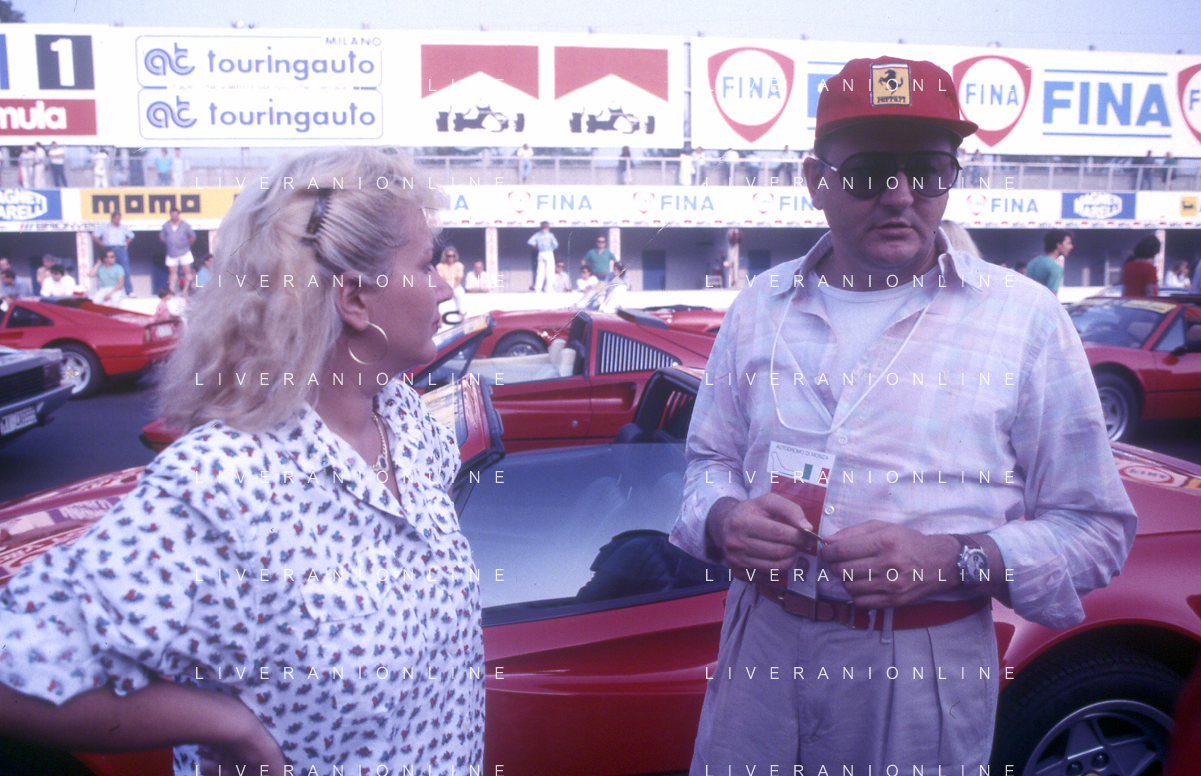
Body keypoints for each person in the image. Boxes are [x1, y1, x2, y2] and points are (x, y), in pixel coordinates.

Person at [669, 55, 1135, 776]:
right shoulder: (759, 308)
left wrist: (953, 558)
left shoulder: (1025, 321)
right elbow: (708, 463)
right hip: (761, 646)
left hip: (922, 667)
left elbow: (1095, 530)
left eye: (928, 170)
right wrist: (724, 519)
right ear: (815, 181)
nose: (900, 195)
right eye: (867, 173)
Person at [0, 147, 483, 776]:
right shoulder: (226, 482)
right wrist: (227, 725)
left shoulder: (406, 420)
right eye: (425, 265)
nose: (444, 286)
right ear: (355, 299)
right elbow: (13, 670)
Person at [92, 210, 135, 295]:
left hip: (121, 249)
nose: (118, 220)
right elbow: (94, 235)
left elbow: (131, 235)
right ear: (112, 218)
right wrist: (102, 244)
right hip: (109, 249)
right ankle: (107, 290)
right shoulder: (105, 226)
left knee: (125, 270)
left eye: (119, 218)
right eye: (117, 218)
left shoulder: (123, 227)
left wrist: (126, 243)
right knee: (107, 269)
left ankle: (129, 291)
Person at [159, 207, 197, 294]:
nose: (174, 216)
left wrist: (186, 245)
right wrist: (170, 243)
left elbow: (192, 236)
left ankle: (191, 289)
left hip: (184, 252)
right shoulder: (166, 225)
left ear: (178, 214)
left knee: (187, 271)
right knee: (173, 272)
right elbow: (162, 237)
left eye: (175, 214)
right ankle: (171, 290)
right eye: (172, 214)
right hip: (171, 253)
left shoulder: (185, 225)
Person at [1026, 229, 1072, 297]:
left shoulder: (1032, 263)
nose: (1071, 246)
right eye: (1068, 243)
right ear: (1059, 244)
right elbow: (1052, 297)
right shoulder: (1056, 268)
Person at [527, 220, 558, 292]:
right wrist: (551, 248)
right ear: (548, 227)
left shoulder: (537, 235)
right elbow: (556, 244)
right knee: (550, 271)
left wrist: (536, 245)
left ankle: (538, 288)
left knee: (540, 271)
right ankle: (548, 288)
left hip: (540, 253)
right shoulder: (550, 235)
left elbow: (530, 241)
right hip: (549, 252)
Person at [436, 245, 465, 312]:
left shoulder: (459, 265)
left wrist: (452, 289)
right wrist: (447, 289)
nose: (451, 258)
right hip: (444, 286)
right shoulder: (440, 266)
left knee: (460, 293)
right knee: (439, 297)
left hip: (456, 286)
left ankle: (463, 315)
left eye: (453, 256)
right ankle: (440, 316)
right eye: (449, 256)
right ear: (445, 256)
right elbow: (441, 280)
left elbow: (458, 280)